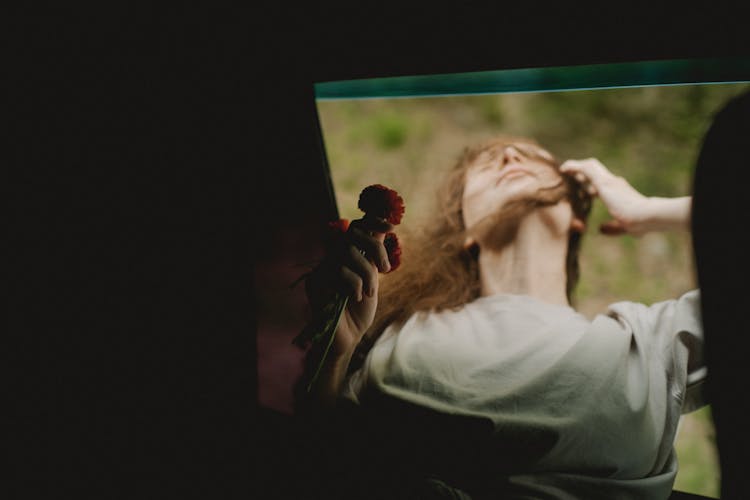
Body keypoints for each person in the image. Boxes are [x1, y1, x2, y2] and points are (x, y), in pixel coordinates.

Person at [295, 135, 704, 499]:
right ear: (467, 230)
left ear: (576, 216)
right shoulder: (397, 332)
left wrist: (651, 211)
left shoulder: (651, 341)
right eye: (490, 162)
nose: (510, 155)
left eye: (533, 157)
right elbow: (319, 460)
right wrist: (333, 355)